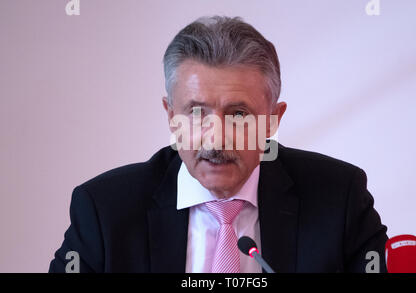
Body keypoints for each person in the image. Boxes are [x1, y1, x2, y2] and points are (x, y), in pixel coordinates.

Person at [49, 16, 388, 273]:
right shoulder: (105, 209)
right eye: (196, 112)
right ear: (170, 115)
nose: (216, 137)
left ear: (272, 120)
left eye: (239, 114)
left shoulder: (339, 198)